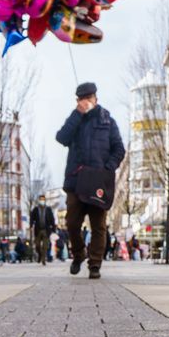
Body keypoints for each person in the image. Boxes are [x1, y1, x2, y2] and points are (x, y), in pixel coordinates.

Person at [55, 82, 125, 279]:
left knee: (98, 226)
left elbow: (119, 149)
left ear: (96, 98)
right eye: (82, 99)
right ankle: (78, 255)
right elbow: (61, 138)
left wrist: (107, 168)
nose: (86, 102)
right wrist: (77, 115)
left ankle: (95, 264)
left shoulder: (107, 121)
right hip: (76, 181)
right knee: (72, 223)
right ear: (78, 101)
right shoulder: (75, 119)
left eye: (89, 98)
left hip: (98, 181)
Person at [28, 199, 57, 263]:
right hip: (38, 230)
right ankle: (40, 254)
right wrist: (31, 225)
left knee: (45, 246)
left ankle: (43, 259)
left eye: (43, 200)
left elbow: (52, 219)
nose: (42, 201)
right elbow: (32, 218)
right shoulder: (35, 209)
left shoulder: (48, 209)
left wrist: (53, 228)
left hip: (46, 230)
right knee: (37, 245)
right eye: (41, 200)